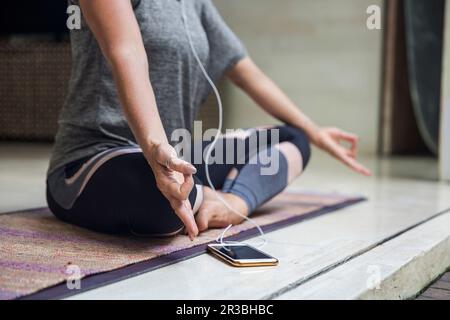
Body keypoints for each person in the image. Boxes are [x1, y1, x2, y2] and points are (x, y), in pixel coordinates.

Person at [46, 0, 372, 240]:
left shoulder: (195, 3)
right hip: (94, 158)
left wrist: (314, 131)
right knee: (168, 203)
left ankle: (231, 202)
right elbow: (126, 51)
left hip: (175, 158)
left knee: (293, 140)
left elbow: (246, 72)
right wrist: (156, 146)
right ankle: (201, 193)